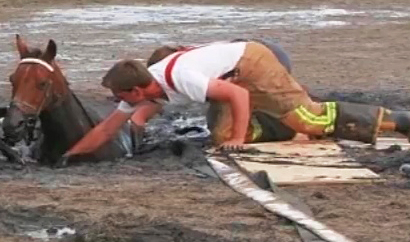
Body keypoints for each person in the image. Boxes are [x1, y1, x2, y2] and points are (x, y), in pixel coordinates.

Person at [61, 40, 410, 161]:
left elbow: (238, 93)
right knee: (220, 137)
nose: (116, 101)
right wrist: (70, 155)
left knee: (311, 120)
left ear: (137, 92)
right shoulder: (142, 88)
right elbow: (108, 128)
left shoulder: (179, 78)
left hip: (253, 64)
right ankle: (279, 125)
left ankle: (399, 120)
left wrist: (240, 141)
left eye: (120, 97)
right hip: (231, 76)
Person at [139, 38, 297, 144]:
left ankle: (286, 126)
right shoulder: (189, 65)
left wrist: (237, 138)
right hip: (254, 57)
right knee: (220, 122)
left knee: (226, 128)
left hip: (266, 60)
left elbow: (238, 94)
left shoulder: (184, 74)